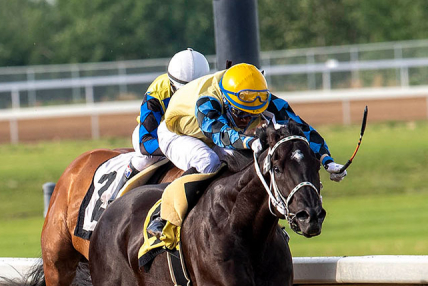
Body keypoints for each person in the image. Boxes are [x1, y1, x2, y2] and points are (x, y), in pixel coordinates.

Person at [147, 63, 347, 238]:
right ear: (226, 100)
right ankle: (161, 215)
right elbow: (219, 133)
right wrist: (249, 142)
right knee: (206, 160)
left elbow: (302, 130)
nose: (245, 120)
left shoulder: (263, 99)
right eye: (240, 113)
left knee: (248, 166)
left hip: (215, 133)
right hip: (178, 133)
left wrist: (326, 159)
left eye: (252, 115)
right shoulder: (207, 100)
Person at [123, 48, 210, 180]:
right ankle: (117, 192)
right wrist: (175, 149)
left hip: (188, 136)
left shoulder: (211, 89)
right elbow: (145, 143)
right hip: (154, 135)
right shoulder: (157, 93)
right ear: (172, 85)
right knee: (145, 160)